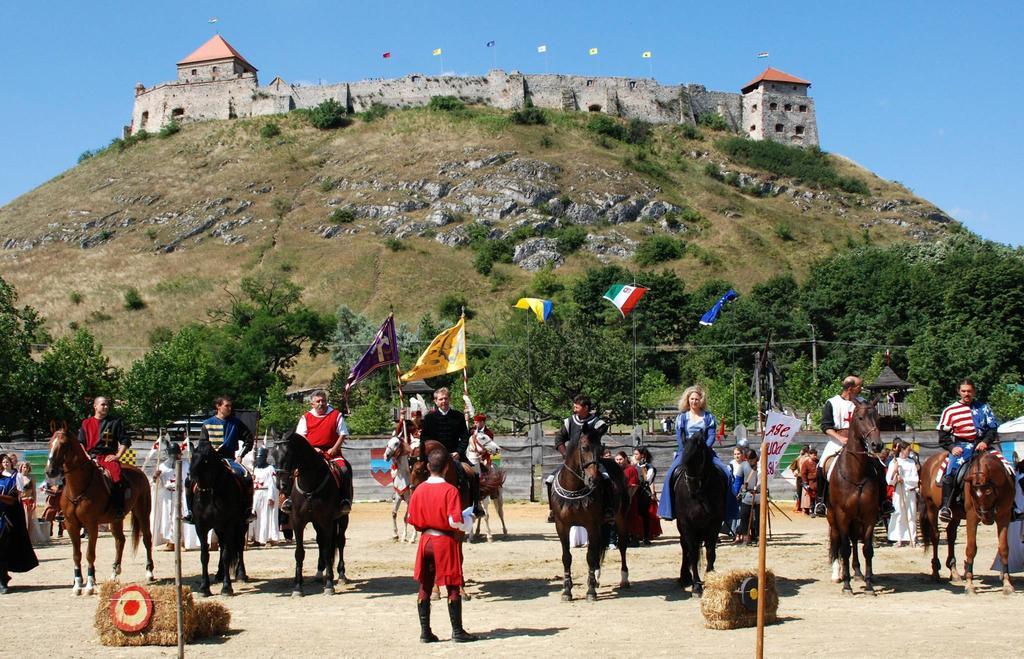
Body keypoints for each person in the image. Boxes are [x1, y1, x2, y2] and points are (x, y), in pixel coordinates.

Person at [406, 448, 477, 643]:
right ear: (446, 468)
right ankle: (457, 631)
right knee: (453, 585)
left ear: (428, 467)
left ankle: (425, 632)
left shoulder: (419, 490)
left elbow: (411, 519)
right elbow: (455, 521)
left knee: (425, 585)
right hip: (444, 541)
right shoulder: (450, 490)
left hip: (426, 540)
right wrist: (468, 519)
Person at [937, 379, 1008, 523]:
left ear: (974, 391)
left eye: (969, 391)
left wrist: (985, 442)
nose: (966, 394)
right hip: (961, 447)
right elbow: (943, 436)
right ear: (959, 392)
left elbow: (992, 428)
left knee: (1007, 467)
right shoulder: (950, 411)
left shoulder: (984, 408)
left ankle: (1011, 506)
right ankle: (946, 507)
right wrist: (952, 447)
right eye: (963, 391)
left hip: (983, 446)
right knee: (950, 473)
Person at [657, 385, 732, 521]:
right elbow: (679, 436)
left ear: (701, 400)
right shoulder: (682, 417)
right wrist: (687, 450)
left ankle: (728, 511)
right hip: (686, 452)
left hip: (705, 451)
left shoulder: (708, 417)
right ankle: (668, 511)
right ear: (688, 400)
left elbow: (711, 436)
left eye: (697, 399)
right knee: (669, 475)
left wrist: (704, 449)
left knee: (726, 473)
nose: (694, 401)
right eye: (692, 399)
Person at [184, 396, 255, 524]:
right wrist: (209, 453)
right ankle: (190, 512)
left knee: (246, 477)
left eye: (230, 406)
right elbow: (202, 444)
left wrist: (240, 456)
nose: (229, 408)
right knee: (189, 479)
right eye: (226, 406)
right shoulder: (207, 423)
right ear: (218, 406)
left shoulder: (236, 423)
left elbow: (249, 439)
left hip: (229, 458)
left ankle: (247, 511)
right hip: (210, 460)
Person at [286, 390, 354, 515]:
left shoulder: (336, 415)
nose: (321, 404)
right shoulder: (306, 417)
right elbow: (301, 436)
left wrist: (334, 448)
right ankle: (289, 499)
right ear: (312, 404)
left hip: (332, 453)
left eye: (323, 401)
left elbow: (343, 434)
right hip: (310, 454)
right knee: (293, 470)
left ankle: (344, 500)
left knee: (344, 470)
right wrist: (312, 448)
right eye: (318, 401)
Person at [421, 388, 483, 516]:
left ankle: (475, 506)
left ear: (449, 399)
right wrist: (432, 456)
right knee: (418, 475)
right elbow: (424, 439)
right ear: (435, 401)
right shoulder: (429, 418)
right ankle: (420, 505)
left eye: (446, 398)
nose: (444, 401)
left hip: (456, 456)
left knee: (474, 474)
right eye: (440, 399)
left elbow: (465, 437)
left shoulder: (458, 416)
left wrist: (458, 452)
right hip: (435, 459)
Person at [814, 376, 863, 516]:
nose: (861, 389)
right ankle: (821, 501)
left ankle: (883, 502)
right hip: (837, 441)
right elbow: (826, 426)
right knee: (821, 467)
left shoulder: (862, 402)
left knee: (878, 464)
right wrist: (840, 438)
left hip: (859, 442)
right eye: (859, 387)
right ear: (850, 388)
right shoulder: (832, 403)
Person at [77, 396, 131, 517]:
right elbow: (80, 442)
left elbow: (125, 441)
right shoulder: (86, 423)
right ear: (95, 406)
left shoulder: (115, 422)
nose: (106, 407)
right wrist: (86, 456)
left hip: (107, 457)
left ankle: (118, 508)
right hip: (89, 458)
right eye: (103, 404)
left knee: (116, 477)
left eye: (107, 405)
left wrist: (117, 456)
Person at [1, 455, 39, 593]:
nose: (5, 464)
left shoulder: (16, 477)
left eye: (7, 461)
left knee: (5, 546)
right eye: (3, 462)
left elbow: (14, 498)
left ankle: (3, 579)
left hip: (9, 516)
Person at [886, 439, 919, 547]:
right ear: (902, 450)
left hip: (909, 492)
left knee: (911, 515)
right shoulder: (894, 462)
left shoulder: (911, 462)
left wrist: (904, 480)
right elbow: (889, 480)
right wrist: (895, 473)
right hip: (899, 492)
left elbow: (915, 479)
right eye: (908, 450)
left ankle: (912, 538)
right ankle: (899, 538)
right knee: (899, 514)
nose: (909, 452)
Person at [250, 448, 280, 546]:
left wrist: (271, 497)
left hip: (266, 493)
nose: (259, 459)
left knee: (266, 517)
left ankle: (267, 538)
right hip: (256, 495)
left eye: (261, 457)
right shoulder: (255, 469)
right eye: (257, 457)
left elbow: (273, 483)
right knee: (256, 517)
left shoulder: (270, 469)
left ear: (265, 458)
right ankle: (257, 538)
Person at [632, 447, 661, 544]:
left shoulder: (649, 467)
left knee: (645, 515)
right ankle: (635, 536)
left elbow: (647, 480)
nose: (635, 456)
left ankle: (646, 537)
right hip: (634, 493)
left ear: (642, 455)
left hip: (644, 493)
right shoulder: (633, 466)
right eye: (634, 454)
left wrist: (643, 468)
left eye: (636, 454)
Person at [737, 449, 760, 546]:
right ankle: (746, 538)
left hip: (759, 494)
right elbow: (738, 481)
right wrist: (736, 492)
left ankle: (759, 537)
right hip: (747, 494)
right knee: (744, 516)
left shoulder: (761, 466)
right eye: (749, 460)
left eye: (752, 459)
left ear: (756, 458)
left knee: (759, 519)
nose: (751, 462)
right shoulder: (743, 466)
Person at [800, 448, 819, 515]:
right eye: (814, 455)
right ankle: (811, 510)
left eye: (816, 455)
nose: (815, 456)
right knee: (811, 497)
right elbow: (803, 473)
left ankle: (818, 510)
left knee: (817, 496)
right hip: (810, 482)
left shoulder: (818, 461)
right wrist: (805, 483)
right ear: (810, 455)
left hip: (817, 481)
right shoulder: (806, 463)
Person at [16, 462, 36, 528]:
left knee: (28, 522)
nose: (25, 469)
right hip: (20, 502)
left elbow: (34, 491)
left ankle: (28, 537)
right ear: (21, 468)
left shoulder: (31, 478)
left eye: (26, 467)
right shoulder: (17, 477)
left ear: (29, 468)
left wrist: (35, 502)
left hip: (29, 501)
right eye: (24, 467)